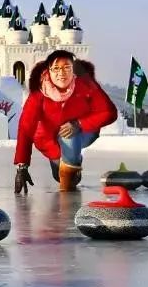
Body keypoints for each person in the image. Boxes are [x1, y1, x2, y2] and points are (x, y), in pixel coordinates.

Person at [14, 50, 117, 193]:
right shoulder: (39, 93)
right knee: (59, 176)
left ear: (73, 69)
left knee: (68, 137)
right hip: (49, 140)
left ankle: (72, 165)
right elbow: (26, 128)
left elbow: (109, 112)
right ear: (48, 71)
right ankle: (68, 164)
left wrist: (79, 124)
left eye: (66, 67)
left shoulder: (86, 84)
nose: (61, 73)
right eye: (56, 68)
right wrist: (22, 166)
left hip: (84, 132)